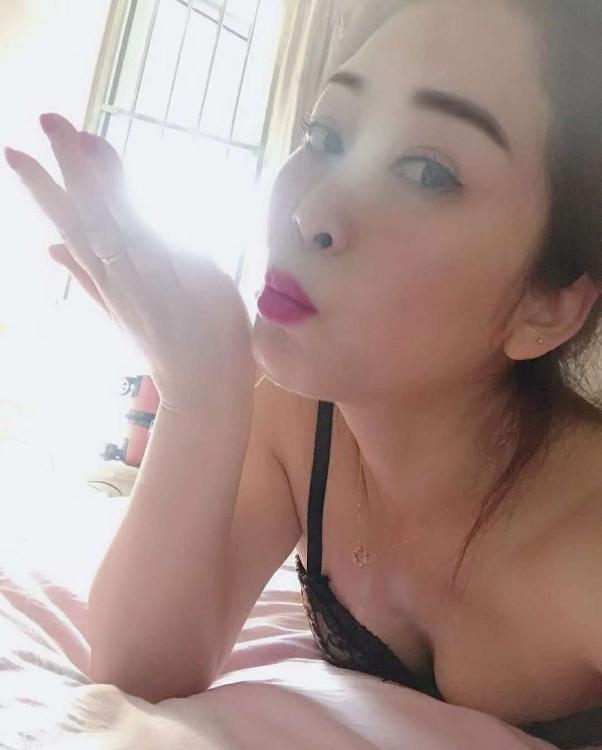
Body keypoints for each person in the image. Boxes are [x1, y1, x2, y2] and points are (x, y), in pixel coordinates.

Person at [4, 0, 601, 747]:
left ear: (546, 306)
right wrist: (199, 394)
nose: (312, 210)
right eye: (325, 135)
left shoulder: (586, 538)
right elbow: (141, 670)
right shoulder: (295, 413)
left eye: (427, 171)